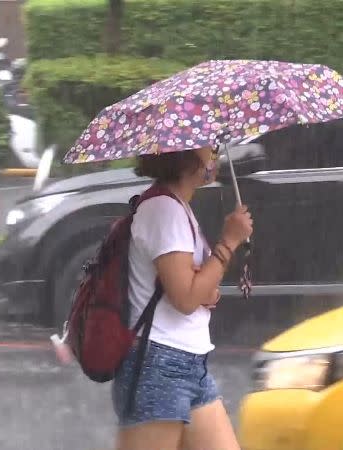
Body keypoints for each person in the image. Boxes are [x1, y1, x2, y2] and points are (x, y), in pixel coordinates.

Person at [112, 146, 253, 450]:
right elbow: (186, 298)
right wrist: (229, 240)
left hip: (189, 364)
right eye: (208, 145)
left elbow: (194, 287)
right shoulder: (163, 210)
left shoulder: (178, 207)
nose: (215, 151)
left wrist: (206, 287)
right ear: (182, 154)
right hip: (158, 366)